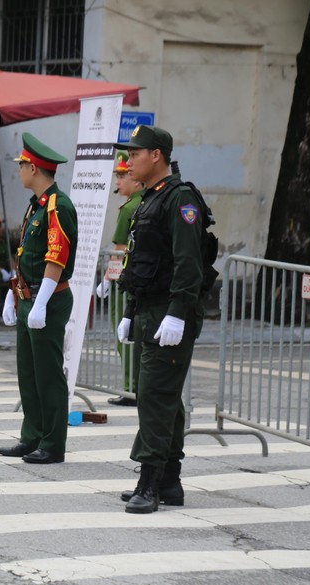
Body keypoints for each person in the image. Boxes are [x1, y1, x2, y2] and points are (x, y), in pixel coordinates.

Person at [113, 125, 206, 514]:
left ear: (157, 156)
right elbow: (140, 261)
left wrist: (178, 314)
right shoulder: (150, 199)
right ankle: (170, 481)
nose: (129, 160)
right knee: (166, 399)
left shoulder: (180, 199)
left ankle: (149, 481)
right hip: (151, 309)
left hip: (170, 312)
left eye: (135, 153)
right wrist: (131, 312)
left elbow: (189, 264)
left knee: (153, 397)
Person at [0, 133, 77, 465]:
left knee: (48, 374)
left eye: (21, 166)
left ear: (34, 167)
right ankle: (31, 436)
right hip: (27, 296)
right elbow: (26, 255)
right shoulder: (37, 205)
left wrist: (41, 301)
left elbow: (56, 257)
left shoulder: (59, 205)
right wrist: (12, 293)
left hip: (50, 299)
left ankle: (53, 443)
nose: (19, 171)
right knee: (28, 374)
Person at [97, 152, 144, 406]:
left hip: (124, 281)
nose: (118, 180)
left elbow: (118, 251)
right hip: (142, 278)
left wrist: (106, 279)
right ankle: (137, 385)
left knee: (123, 334)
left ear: (136, 180)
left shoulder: (128, 208)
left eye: (122, 175)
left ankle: (130, 388)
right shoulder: (145, 202)